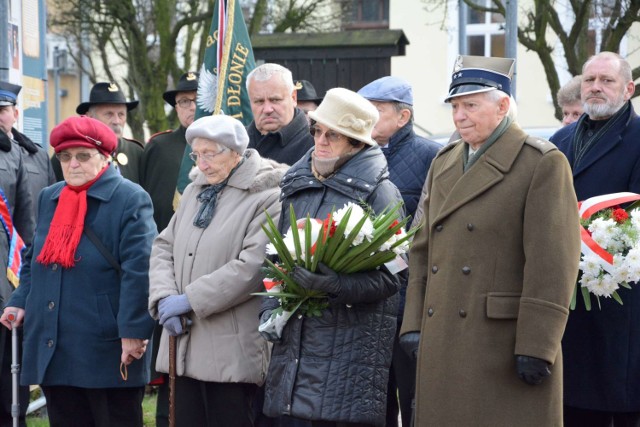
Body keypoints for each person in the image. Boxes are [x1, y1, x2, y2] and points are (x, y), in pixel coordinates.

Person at [399, 55, 581, 426]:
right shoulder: (445, 160)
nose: (459, 116)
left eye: (470, 105)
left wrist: (538, 345)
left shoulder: (540, 162)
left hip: (501, 341)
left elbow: (552, 263)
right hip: (444, 333)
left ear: (502, 106)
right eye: (454, 106)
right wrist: (414, 322)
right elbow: (421, 251)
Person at [0, 116, 156, 427]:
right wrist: (19, 300)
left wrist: (134, 331)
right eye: (65, 156)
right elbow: (35, 258)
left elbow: (141, 270)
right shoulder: (51, 196)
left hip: (106, 345)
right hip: (54, 344)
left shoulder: (130, 198)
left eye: (83, 156)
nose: (72, 165)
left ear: (105, 158)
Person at [260, 87, 403, 427]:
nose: (320, 141)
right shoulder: (297, 184)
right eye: (317, 132)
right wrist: (270, 309)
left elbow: (394, 276)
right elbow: (276, 260)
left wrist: (336, 285)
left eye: (333, 135)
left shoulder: (381, 192)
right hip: (292, 355)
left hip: (347, 359)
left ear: (356, 144)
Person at [148, 114, 287, 426]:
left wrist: (189, 300)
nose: (203, 163)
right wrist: (165, 298)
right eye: (197, 154)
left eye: (211, 154)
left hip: (231, 351)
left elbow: (253, 266)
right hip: (183, 342)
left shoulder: (266, 196)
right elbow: (163, 246)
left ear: (236, 153)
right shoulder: (197, 191)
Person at [550, 51, 640, 427]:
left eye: (607, 81)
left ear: (629, 89)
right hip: (564, 291)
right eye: (590, 80)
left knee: (615, 404)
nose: (596, 88)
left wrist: (597, 246)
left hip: (620, 294)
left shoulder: (638, 138)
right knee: (570, 403)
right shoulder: (560, 138)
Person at [357, 75, 440, 427]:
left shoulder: (431, 156)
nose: (365, 119)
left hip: (408, 300)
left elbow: (431, 228)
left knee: (412, 395)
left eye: (374, 111)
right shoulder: (357, 156)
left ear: (403, 117)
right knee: (370, 403)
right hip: (364, 298)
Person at [139, 70, 198, 427]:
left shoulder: (226, 143)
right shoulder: (159, 147)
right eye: (183, 102)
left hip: (206, 266)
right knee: (168, 353)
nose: (190, 108)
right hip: (166, 264)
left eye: (196, 100)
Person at [0, 81, 35, 427]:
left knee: (8, 381)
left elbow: (27, 225)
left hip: (6, 282)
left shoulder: (22, 154)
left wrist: (23, 288)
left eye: (1, 110)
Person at [51, 82, 144, 183]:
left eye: (121, 114)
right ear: (90, 117)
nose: (117, 121)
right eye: (109, 114)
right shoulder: (67, 153)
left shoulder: (136, 152)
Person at [246, 64, 314, 165]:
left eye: (275, 100)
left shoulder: (316, 144)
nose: (267, 109)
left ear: (293, 97)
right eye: (259, 101)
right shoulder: (235, 143)